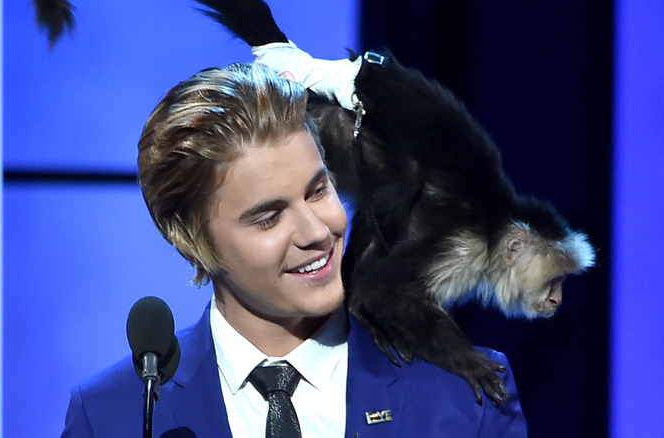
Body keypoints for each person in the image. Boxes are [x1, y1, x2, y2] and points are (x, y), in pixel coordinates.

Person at [61, 62, 528, 437]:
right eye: (269, 217)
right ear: (191, 243)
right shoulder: (113, 416)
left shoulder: (463, 399)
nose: (317, 231)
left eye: (318, 191)